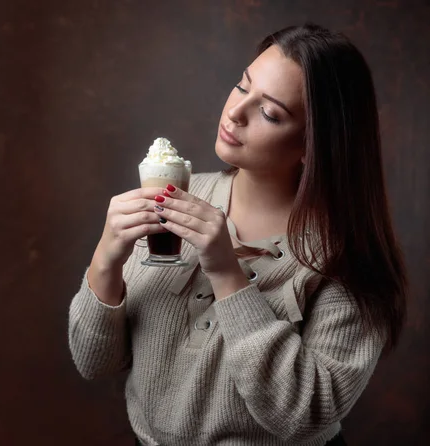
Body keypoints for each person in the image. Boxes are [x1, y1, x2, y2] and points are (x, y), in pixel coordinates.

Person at [68, 23, 407, 446]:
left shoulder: (347, 259)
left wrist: (228, 273)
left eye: (270, 113)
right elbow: (94, 362)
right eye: (242, 85)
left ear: (313, 145)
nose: (234, 113)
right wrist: (106, 257)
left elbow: (308, 415)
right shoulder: (177, 196)